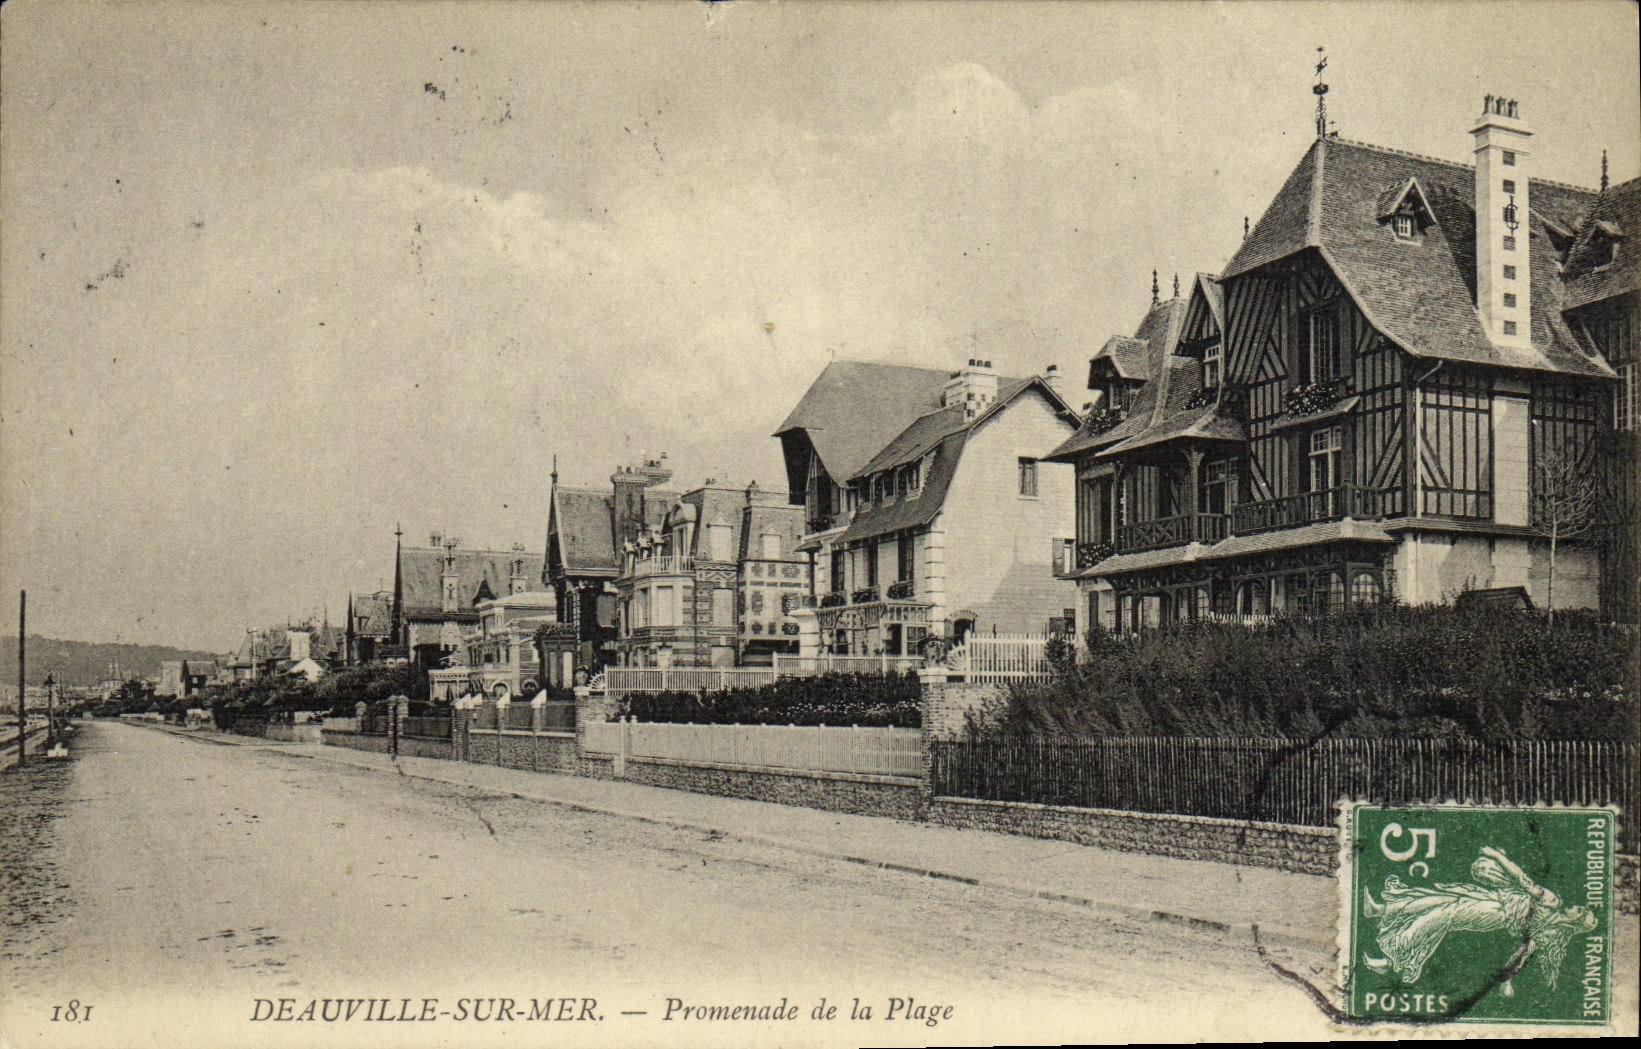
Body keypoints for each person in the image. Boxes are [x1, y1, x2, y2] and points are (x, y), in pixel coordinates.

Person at [1362, 846, 1596, 997]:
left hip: (1493, 913)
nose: (1579, 907)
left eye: (1582, 912)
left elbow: (1524, 951)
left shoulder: (1551, 915)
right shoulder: (1554, 904)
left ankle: (1394, 962)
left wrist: (1507, 979)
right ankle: (1381, 909)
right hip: (1492, 899)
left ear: (1576, 922)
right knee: (1440, 899)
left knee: (1440, 916)